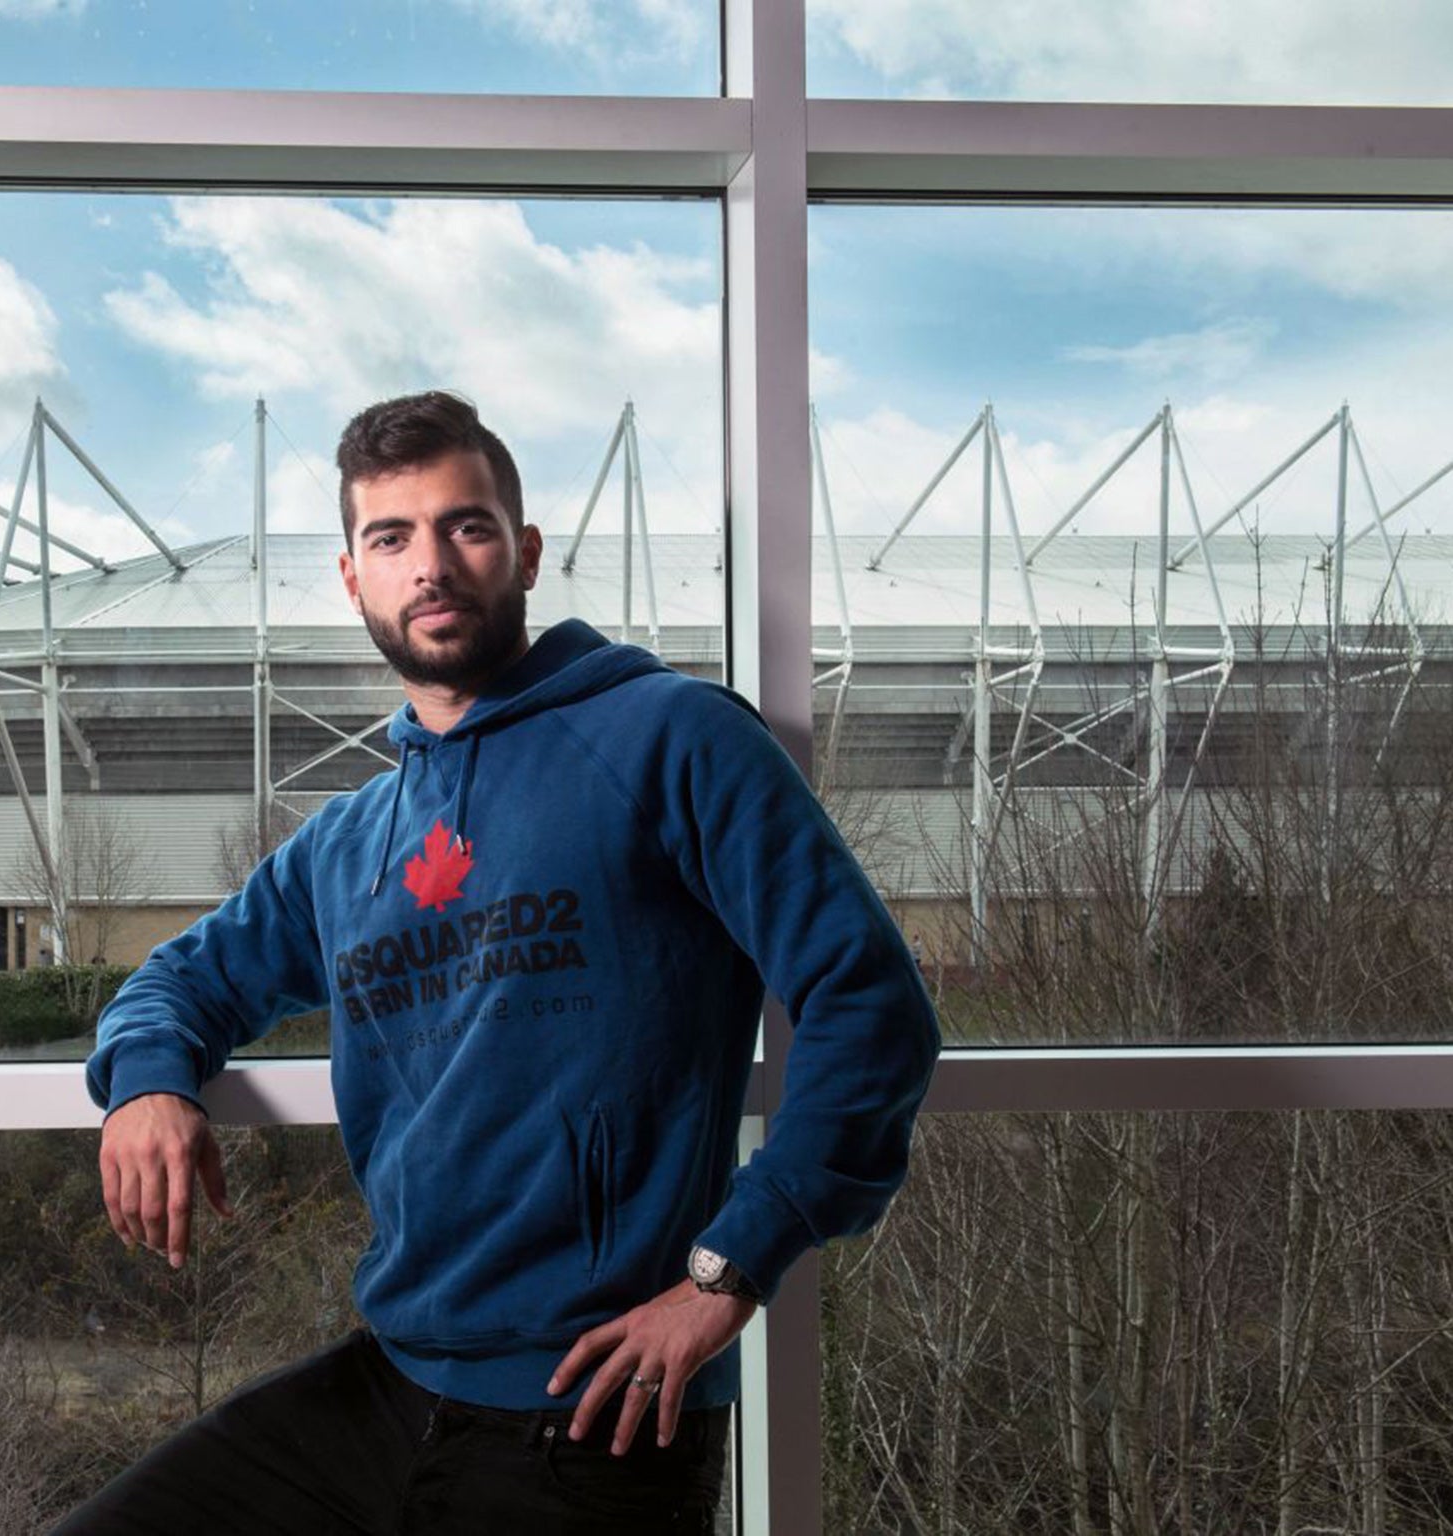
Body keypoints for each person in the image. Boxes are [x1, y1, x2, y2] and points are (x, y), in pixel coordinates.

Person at [48, 391, 939, 1535]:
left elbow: (870, 1005)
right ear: (353, 577)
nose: (431, 565)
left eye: (464, 527)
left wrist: (732, 1271)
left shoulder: (669, 736)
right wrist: (148, 1082)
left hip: (603, 1411)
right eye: (391, 537)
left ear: (521, 554)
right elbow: (178, 980)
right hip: (393, 1377)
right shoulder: (351, 841)